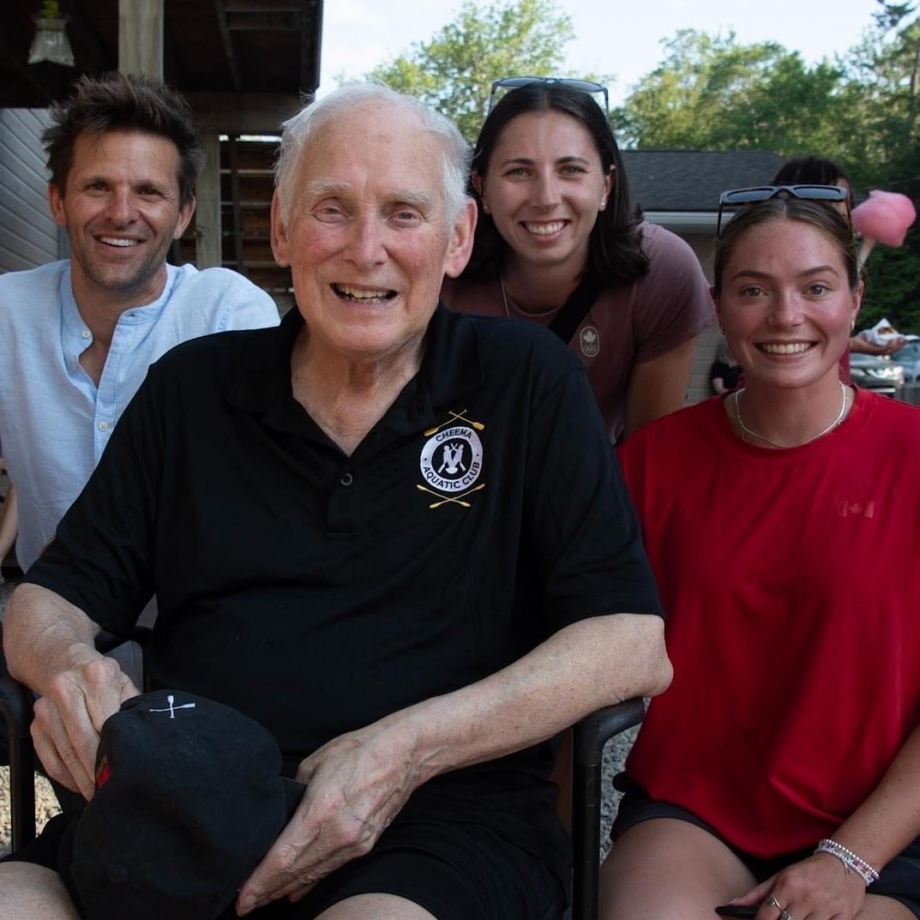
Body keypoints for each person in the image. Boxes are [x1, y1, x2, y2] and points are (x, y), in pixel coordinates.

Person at [0, 83, 671, 920]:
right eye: (332, 210)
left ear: (458, 236)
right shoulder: (193, 391)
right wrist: (66, 664)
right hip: (193, 811)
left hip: (442, 823)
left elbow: (631, 642)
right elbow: (49, 595)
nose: (366, 249)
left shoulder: (526, 383)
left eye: (403, 213)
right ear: (281, 228)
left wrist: (406, 748)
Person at [598, 189, 920, 920]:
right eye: (753, 290)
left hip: (882, 826)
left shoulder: (913, 457)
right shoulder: (652, 464)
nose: (786, 316)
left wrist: (848, 860)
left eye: (815, 288)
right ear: (717, 305)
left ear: (854, 296)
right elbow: (581, 642)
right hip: (696, 811)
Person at [0, 71, 280, 576]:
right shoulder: (7, 313)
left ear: (183, 215)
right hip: (48, 640)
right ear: (57, 201)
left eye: (149, 192)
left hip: (196, 638)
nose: (121, 212)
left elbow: (253, 499)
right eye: (97, 186)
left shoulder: (227, 314)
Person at [441, 79, 714, 442]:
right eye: (519, 171)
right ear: (482, 186)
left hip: (593, 487)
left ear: (606, 186)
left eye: (570, 169)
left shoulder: (663, 270)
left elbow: (647, 454)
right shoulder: (438, 268)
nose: (546, 198)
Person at [770, 155, 907, 362]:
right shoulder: (772, 261)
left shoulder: (837, 271)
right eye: (831, 208)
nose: (846, 223)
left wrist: (852, 342)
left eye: (846, 212)